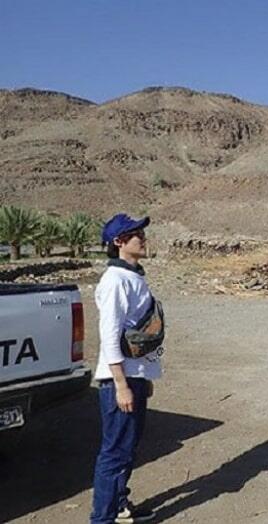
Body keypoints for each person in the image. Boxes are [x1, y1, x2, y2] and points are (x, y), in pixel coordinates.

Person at [90, 214, 162, 524]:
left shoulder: (133, 276)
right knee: (115, 452)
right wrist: (120, 384)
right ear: (119, 242)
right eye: (135, 234)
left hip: (134, 377)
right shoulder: (115, 281)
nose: (142, 239)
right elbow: (109, 336)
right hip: (120, 380)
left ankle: (119, 507)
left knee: (127, 448)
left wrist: (144, 377)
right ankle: (102, 519)